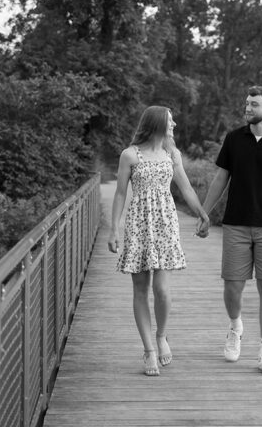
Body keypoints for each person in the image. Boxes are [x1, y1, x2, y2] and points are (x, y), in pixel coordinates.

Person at [200, 86, 262, 375]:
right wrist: (204, 213)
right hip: (236, 223)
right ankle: (235, 328)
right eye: (246, 103)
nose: (247, 108)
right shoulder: (234, 139)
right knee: (232, 286)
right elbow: (221, 178)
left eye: (253, 104)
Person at [108, 105, 210, 376]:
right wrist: (113, 229)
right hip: (138, 224)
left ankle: (162, 335)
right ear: (156, 124)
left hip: (165, 224)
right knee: (140, 289)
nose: (174, 125)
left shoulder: (171, 153)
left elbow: (185, 187)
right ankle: (149, 350)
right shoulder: (129, 155)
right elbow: (119, 194)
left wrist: (202, 214)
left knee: (162, 290)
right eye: (170, 121)